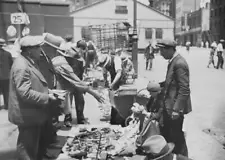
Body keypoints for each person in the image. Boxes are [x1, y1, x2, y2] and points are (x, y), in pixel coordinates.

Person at [8, 36, 59, 160]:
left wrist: (50, 91)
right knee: (26, 147)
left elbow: (35, 84)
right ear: (29, 50)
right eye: (38, 47)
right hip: (26, 114)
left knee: (34, 145)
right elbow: (24, 93)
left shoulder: (28, 61)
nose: (40, 50)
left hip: (33, 113)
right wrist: (47, 97)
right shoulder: (22, 66)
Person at [156, 39, 192, 157]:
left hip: (174, 108)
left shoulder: (179, 63)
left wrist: (177, 109)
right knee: (171, 134)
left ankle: (183, 158)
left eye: (162, 50)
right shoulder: (173, 61)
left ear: (170, 49)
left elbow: (184, 89)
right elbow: (172, 82)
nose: (160, 53)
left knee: (177, 137)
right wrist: (158, 85)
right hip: (169, 106)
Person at [65, 40, 87, 124]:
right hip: (69, 82)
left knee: (80, 101)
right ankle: (67, 119)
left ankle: (81, 119)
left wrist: (82, 84)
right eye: (83, 49)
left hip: (77, 82)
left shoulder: (81, 58)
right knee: (68, 102)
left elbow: (81, 72)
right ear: (80, 48)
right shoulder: (69, 55)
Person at [0, 38, 13, 109]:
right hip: (6, 76)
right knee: (6, 92)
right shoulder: (8, 54)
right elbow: (11, 65)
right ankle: (7, 106)